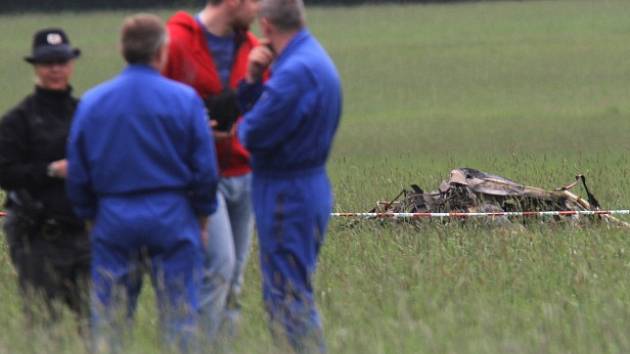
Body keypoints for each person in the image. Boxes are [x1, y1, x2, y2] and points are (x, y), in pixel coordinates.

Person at [66, 14, 219, 351]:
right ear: (162, 51)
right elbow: (206, 170)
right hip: (173, 215)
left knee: (110, 319)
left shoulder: (93, 102)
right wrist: (203, 217)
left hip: (114, 216)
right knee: (180, 317)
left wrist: (90, 215)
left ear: (122, 50)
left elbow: (78, 171)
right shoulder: (185, 99)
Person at [236, 0, 342, 352]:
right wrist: (255, 83)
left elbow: (252, 133)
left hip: (286, 190)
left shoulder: (294, 72)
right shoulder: (312, 57)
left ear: (266, 27)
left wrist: (248, 95)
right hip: (305, 183)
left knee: (287, 296)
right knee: (291, 290)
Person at [162, 0, 260, 343]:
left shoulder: (251, 48)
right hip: (198, 176)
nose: (260, 9)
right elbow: (152, 102)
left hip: (244, 172)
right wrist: (195, 130)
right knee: (217, 268)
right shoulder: (174, 42)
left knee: (234, 279)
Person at [0, 28, 90, 330]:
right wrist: (51, 170)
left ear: (71, 64)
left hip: (86, 236)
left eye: (61, 61)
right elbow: (5, 172)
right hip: (39, 239)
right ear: (36, 67)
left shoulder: (87, 114)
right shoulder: (17, 121)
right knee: (42, 329)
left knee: (96, 326)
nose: (55, 69)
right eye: (48, 62)